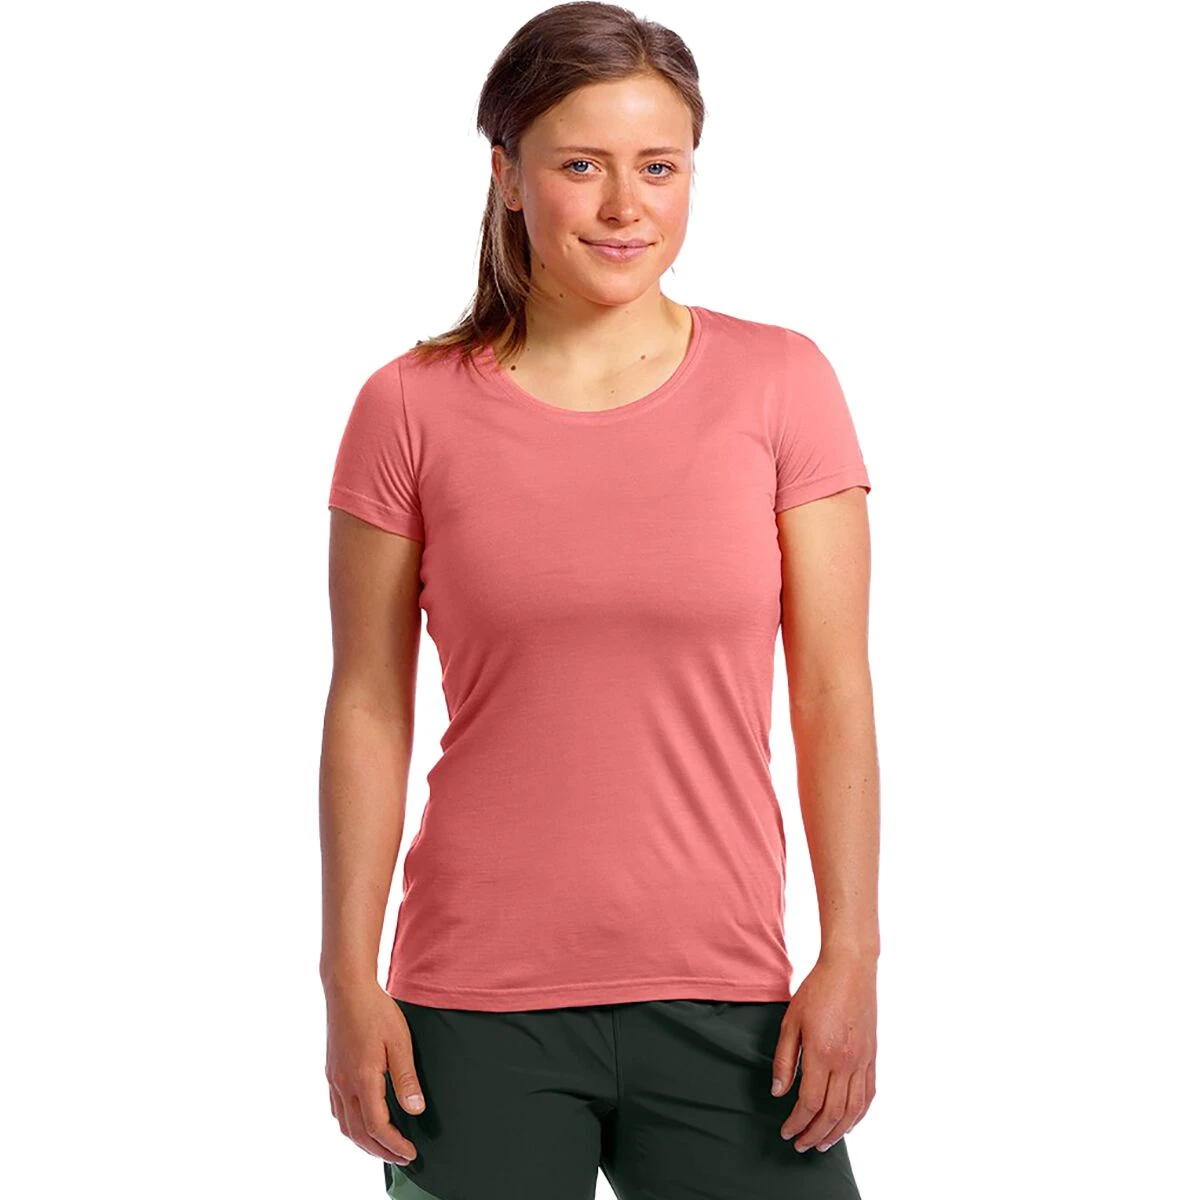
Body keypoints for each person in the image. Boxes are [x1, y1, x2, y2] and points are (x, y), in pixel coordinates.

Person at [320, 4, 880, 1198]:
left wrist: (853, 957)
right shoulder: (407, 408)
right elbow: (368, 705)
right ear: (507, 176)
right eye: (582, 166)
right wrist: (345, 981)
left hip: (731, 996)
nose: (627, 206)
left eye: (658, 167)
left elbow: (834, 692)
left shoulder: (784, 382)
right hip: (472, 1009)